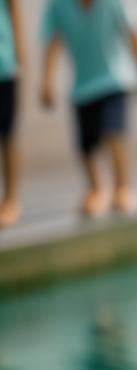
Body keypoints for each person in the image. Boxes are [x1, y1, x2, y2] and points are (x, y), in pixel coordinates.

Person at [39, 0, 137, 218]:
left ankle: (122, 187)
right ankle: (96, 189)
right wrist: (47, 79)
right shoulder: (58, 6)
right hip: (83, 85)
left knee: (113, 133)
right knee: (86, 146)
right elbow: (53, 39)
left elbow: (135, 32)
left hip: (114, 78)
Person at [0, 0, 24, 228]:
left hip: (4, 68)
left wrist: (20, 59)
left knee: (8, 135)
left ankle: (10, 200)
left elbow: (14, 10)